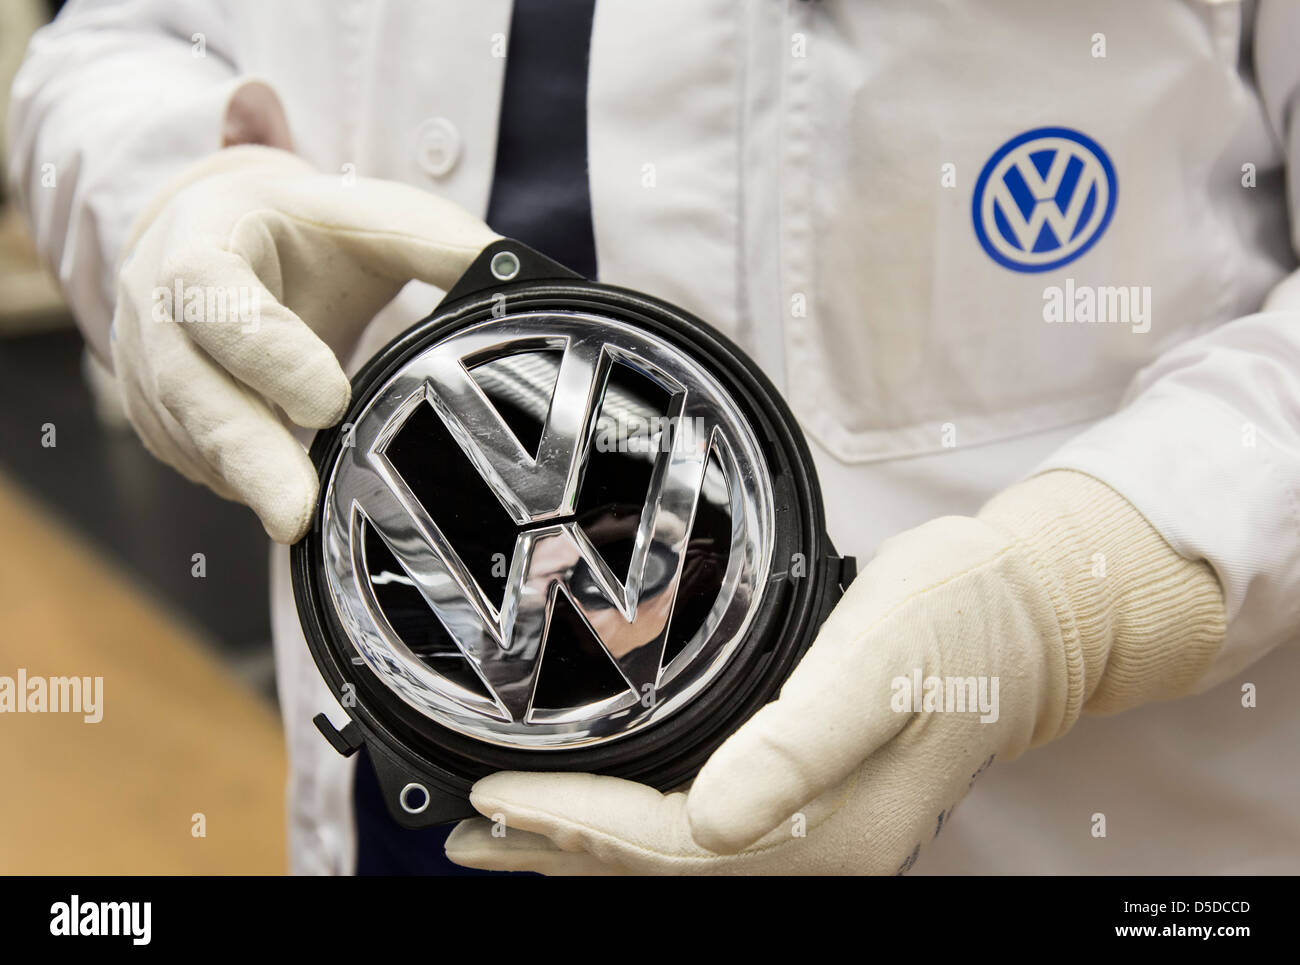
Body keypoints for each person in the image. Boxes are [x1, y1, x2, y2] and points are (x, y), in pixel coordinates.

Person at [10, 0, 1300, 875]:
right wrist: (180, 188)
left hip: (1045, 829)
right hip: (415, 787)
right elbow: (114, 37)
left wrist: (1078, 597)